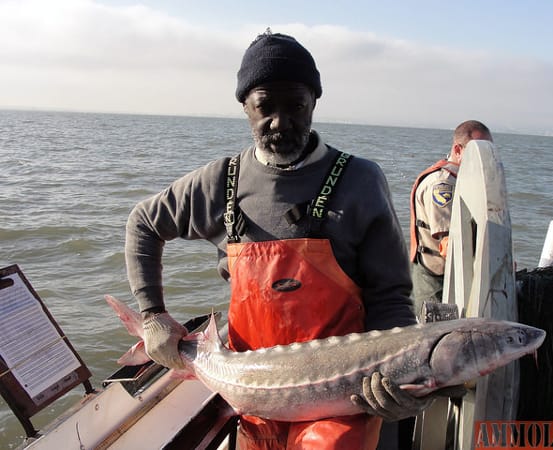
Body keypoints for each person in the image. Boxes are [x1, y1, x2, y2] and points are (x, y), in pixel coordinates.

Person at [125, 30, 431, 450]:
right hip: (252, 394)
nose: (280, 122)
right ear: (245, 107)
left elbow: (391, 296)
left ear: (314, 103)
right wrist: (152, 315)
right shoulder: (219, 183)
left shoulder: (361, 180)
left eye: (296, 107)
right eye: (265, 107)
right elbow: (143, 223)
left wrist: (399, 382)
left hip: (346, 402)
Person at [409, 120, 493, 316]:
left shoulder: (465, 180)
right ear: (458, 149)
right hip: (436, 278)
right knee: (435, 334)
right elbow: (449, 245)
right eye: (477, 150)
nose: (483, 157)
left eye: (487, 150)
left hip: (454, 275)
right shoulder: (443, 184)